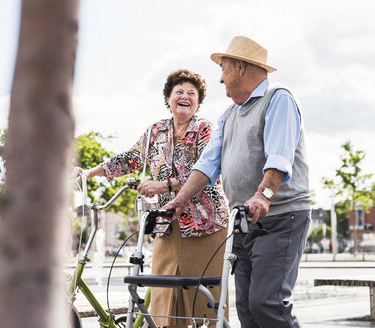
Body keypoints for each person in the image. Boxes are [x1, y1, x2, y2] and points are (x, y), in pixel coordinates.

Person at [164, 36, 312, 328]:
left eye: (223, 68)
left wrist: (264, 195)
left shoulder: (278, 98)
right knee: (245, 307)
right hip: (243, 220)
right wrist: (179, 200)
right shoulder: (229, 114)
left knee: (267, 302)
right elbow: (207, 164)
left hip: (281, 217)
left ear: (241, 67)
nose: (219, 79)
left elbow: (280, 157)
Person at [73, 69, 229, 327]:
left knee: (205, 301)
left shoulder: (205, 129)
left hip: (206, 226)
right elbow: (129, 159)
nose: (185, 97)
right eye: (179, 91)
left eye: (192, 93)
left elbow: (207, 171)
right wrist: (89, 173)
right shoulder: (157, 131)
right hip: (167, 224)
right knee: (162, 298)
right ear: (168, 98)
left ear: (198, 102)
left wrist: (163, 185)